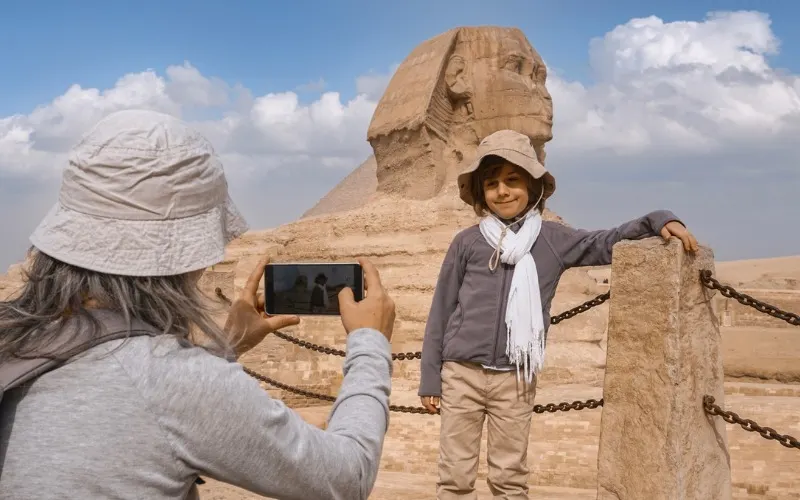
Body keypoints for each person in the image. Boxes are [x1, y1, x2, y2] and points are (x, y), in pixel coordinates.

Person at [0, 109, 396, 500]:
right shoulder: (174, 378)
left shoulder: (14, 333)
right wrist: (369, 341)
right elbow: (348, 477)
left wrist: (226, 347)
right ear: (187, 258)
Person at [418, 129, 698, 499]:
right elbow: (442, 308)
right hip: (461, 374)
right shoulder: (467, 242)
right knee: (454, 476)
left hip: (514, 379)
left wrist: (658, 219)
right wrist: (430, 377)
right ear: (481, 193)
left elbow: (607, 241)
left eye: (512, 180)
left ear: (533, 186)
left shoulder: (553, 239)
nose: (502, 191)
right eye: (492, 183)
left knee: (509, 477)